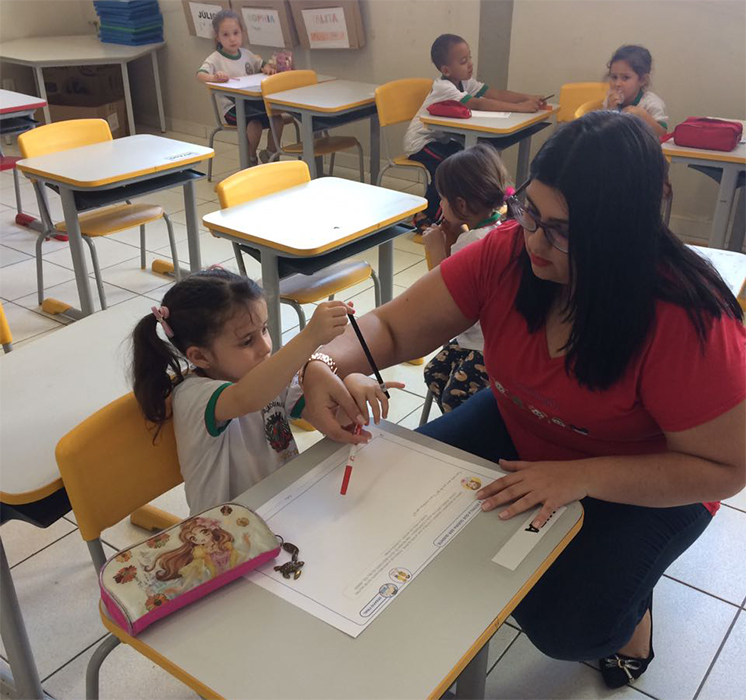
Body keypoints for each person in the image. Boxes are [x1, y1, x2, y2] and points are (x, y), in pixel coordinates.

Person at [299, 112, 745, 688]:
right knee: (387, 487)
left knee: (565, 625)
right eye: (529, 211)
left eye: (561, 229)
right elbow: (390, 327)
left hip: (649, 473)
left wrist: (581, 477)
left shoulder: (687, 319)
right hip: (526, 418)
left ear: (621, 231)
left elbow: (725, 470)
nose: (533, 237)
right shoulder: (510, 252)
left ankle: (635, 619)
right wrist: (322, 364)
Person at [132, 267, 400, 515]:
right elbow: (246, 398)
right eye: (247, 340)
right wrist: (309, 338)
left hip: (282, 507)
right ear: (200, 357)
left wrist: (352, 386)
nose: (265, 347)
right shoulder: (194, 396)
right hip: (226, 532)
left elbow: (331, 419)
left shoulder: (267, 378)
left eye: (264, 329)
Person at [404, 33, 546, 231]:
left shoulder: (465, 82)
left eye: (469, 57)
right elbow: (479, 103)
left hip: (442, 140)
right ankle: (427, 215)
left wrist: (527, 98)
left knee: (470, 162)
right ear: (446, 69)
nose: (470, 64)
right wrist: (522, 108)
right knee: (449, 169)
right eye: (463, 61)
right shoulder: (443, 87)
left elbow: (494, 93)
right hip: (421, 142)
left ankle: (470, 214)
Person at [422, 144, 508, 412]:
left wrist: (436, 249)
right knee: (435, 372)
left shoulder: (472, 242)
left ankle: (464, 442)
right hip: (492, 338)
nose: (440, 205)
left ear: (460, 204)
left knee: (452, 395)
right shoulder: (503, 221)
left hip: (487, 347)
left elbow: (444, 295)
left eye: (442, 199)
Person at [196, 9, 282, 165]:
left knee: (277, 118)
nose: (232, 39)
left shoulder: (247, 54)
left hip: (254, 105)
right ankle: (250, 156)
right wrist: (215, 78)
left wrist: (268, 68)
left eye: (236, 33)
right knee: (254, 124)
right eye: (226, 35)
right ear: (218, 37)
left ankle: (270, 153)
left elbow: (263, 65)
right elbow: (200, 75)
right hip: (232, 108)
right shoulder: (215, 59)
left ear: (242, 33)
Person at [603, 44, 668, 138]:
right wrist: (610, 111)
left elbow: (662, 134)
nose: (617, 84)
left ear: (642, 80)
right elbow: (604, 133)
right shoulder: (610, 101)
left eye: (625, 78)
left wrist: (643, 116)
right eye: (614, 77)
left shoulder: (651, 104)